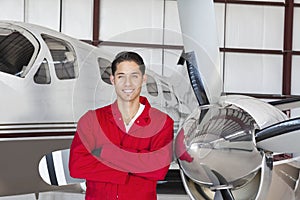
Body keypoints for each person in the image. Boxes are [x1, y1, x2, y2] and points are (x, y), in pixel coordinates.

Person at [69, 51, 174, 200]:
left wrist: (106, 152)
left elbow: (158, 170)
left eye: (134, 76)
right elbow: (77, 166)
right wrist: (136, 163)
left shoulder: (162, 122)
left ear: (143, 79)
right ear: (112, 80)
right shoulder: (91, 119)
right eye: (121, 76)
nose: (128, 83)